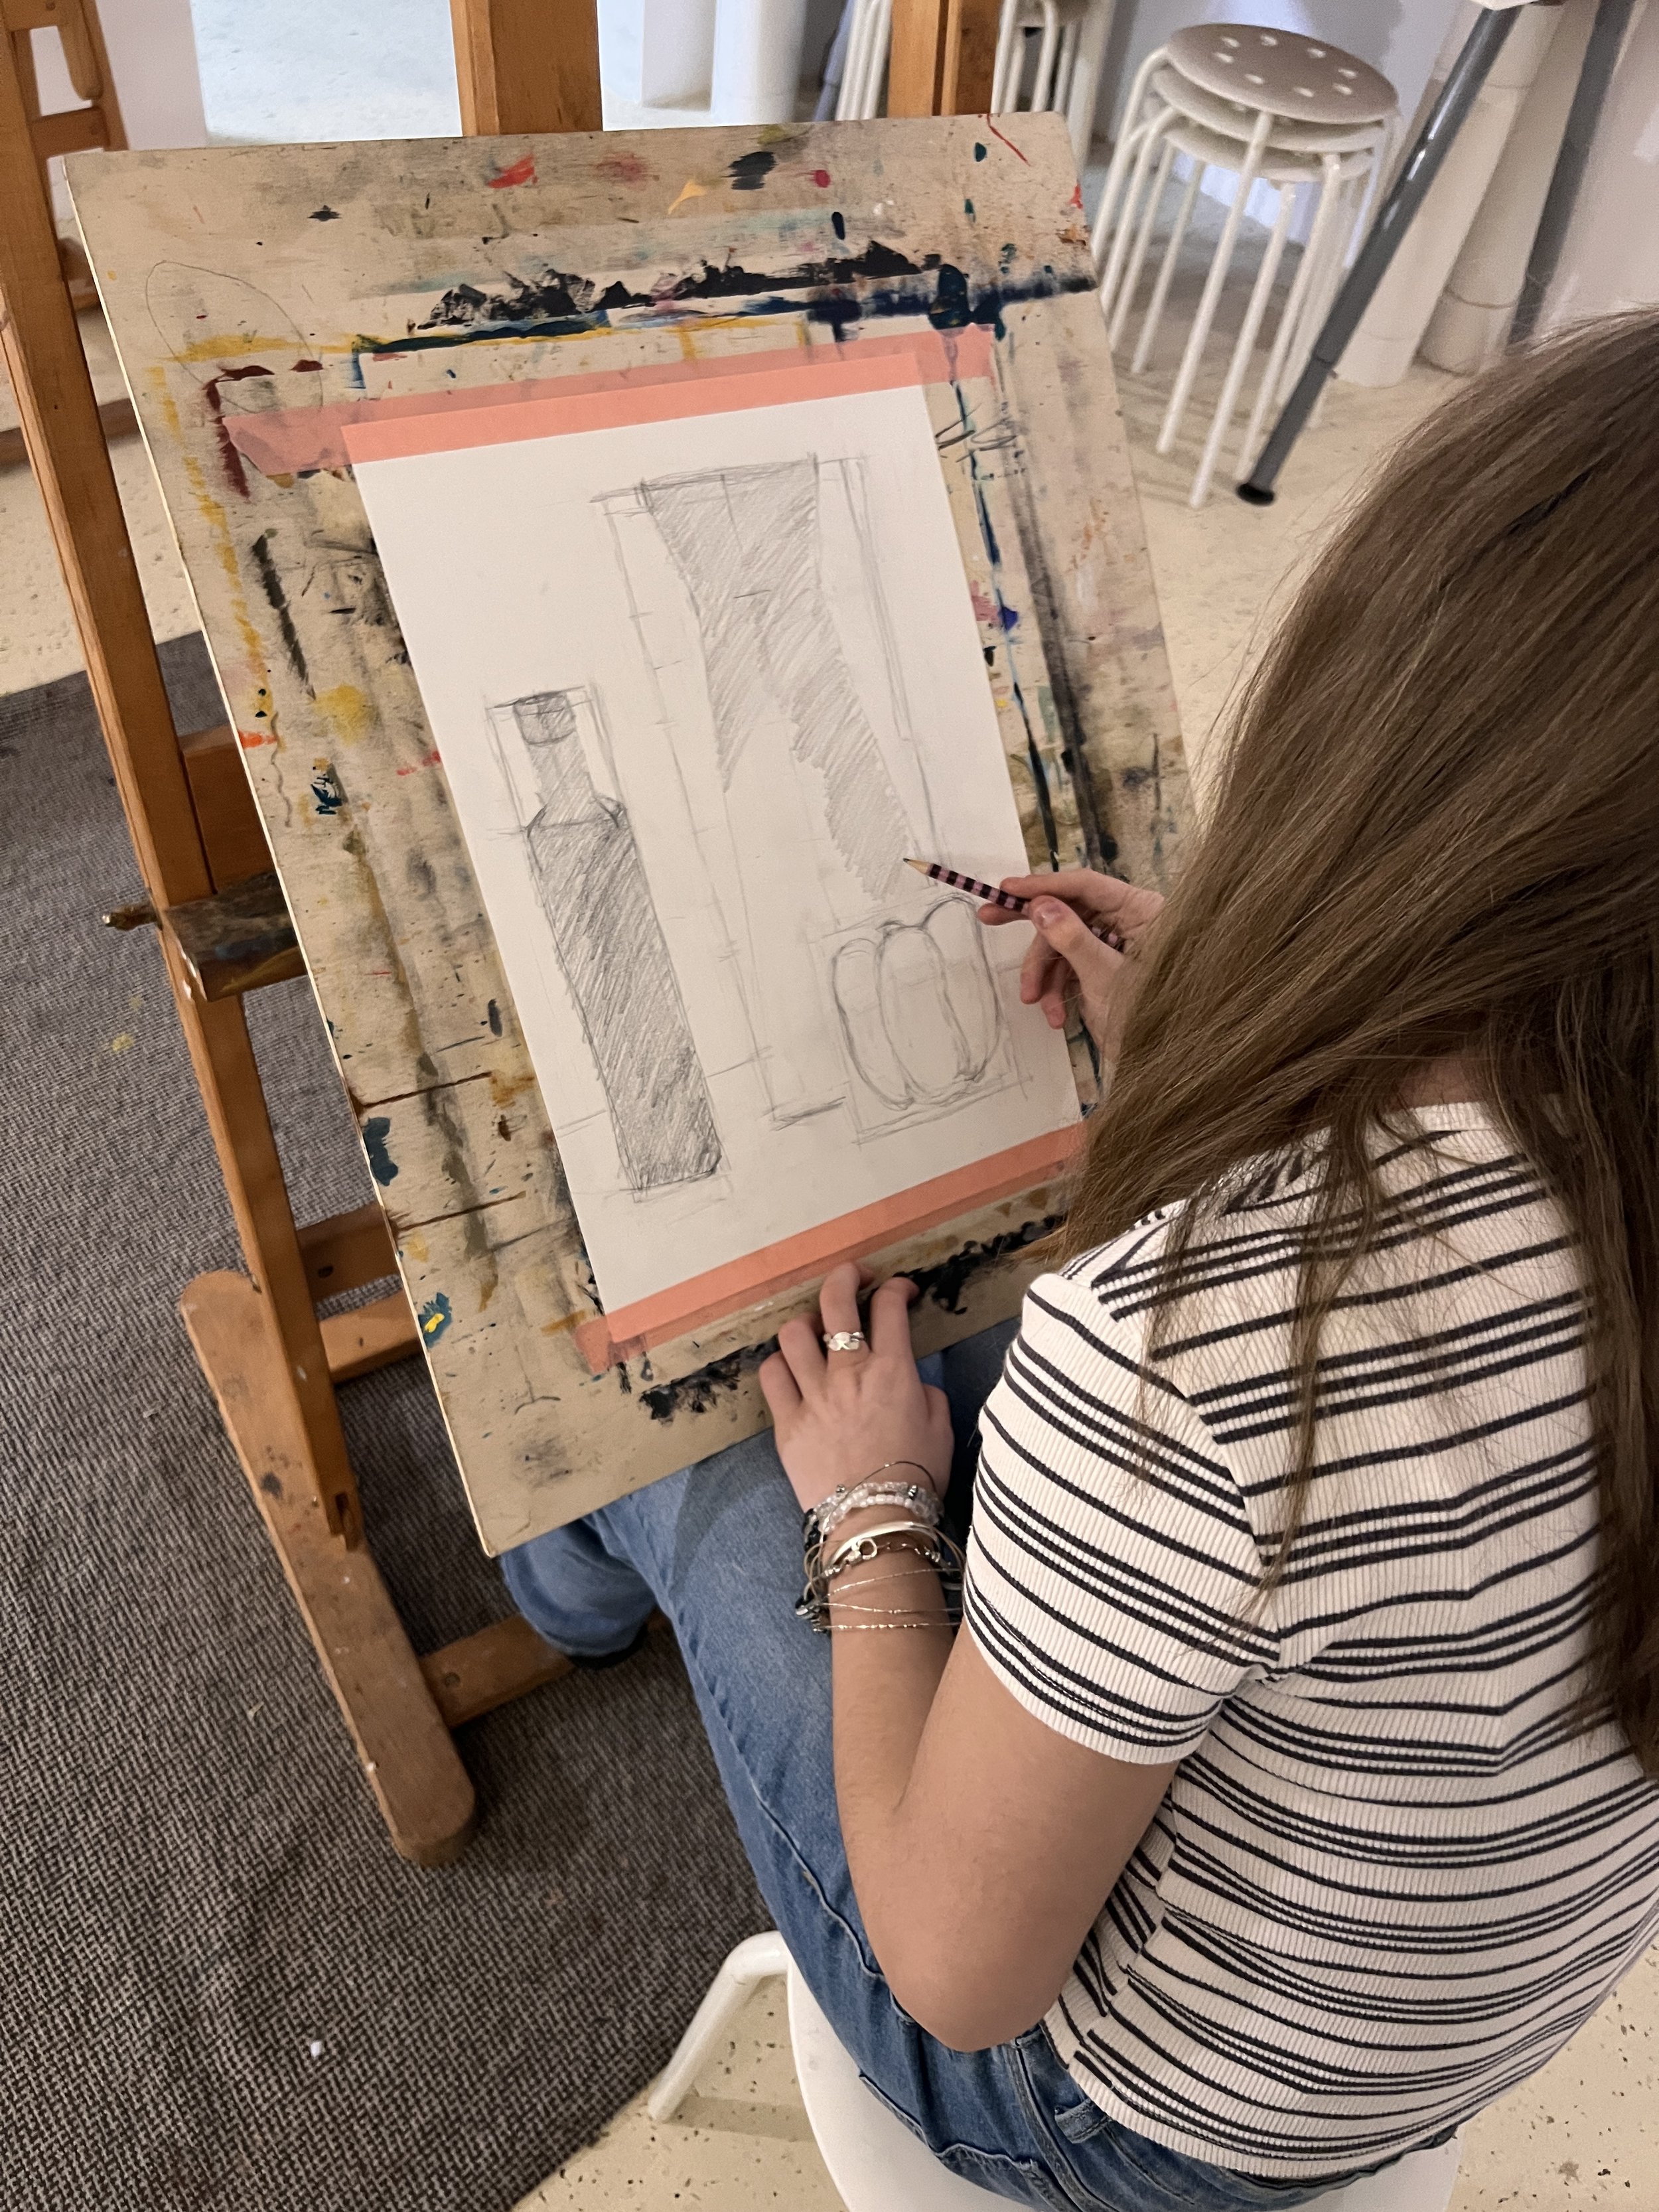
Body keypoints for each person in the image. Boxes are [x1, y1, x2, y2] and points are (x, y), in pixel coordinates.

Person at [502, 309, 1659, 2208]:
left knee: (706, 1426)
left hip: (1117, 2121)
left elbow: (965, 1976)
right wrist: (1228, 1050)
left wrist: (875, 1516)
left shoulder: (1197, 1339)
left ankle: (559, 1596)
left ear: (1379, 746)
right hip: (1445, 2041)